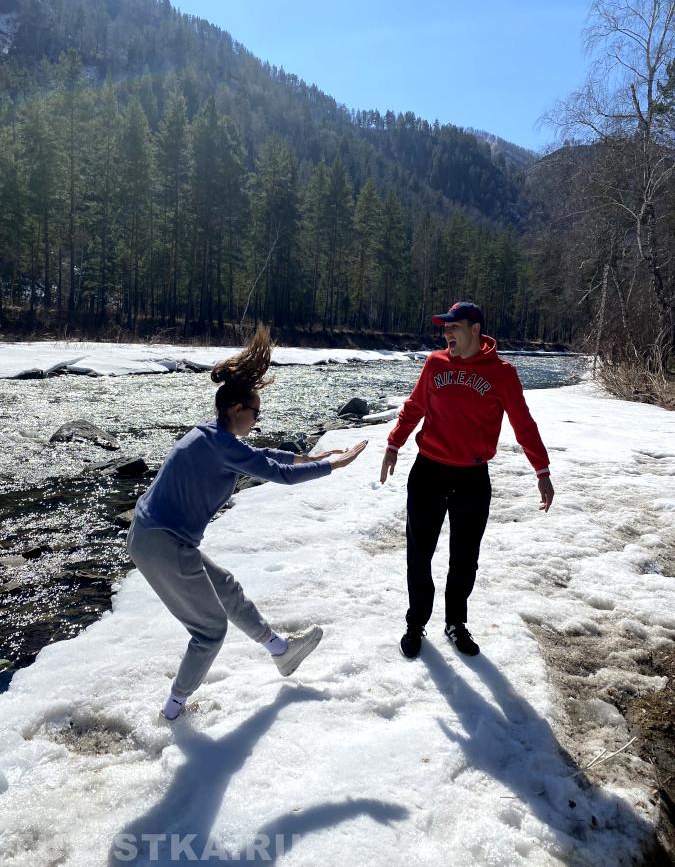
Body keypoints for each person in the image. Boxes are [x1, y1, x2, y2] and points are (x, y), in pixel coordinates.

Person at [128, 326, 367, 719]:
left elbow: (262, 456)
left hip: (153, 535)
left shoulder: (212, 435)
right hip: (163, 542)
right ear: (237, 409)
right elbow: (276, 473)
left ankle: (280, 650)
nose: (257, 420)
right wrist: (332, 465)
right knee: (209, 632)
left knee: (225, 587)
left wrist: (307, 457)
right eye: (256, 412)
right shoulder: (221, 445)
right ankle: (173, 710)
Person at [380, 302, 554, 659]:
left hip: (472, 476)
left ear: (475, 329)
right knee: (419, 553)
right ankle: (416, 622)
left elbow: (523, 424)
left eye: (453, 326)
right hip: (428, 471)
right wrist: (394, 444)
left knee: (465, 558)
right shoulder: (434, 363)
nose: (447, 333)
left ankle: (455, 622)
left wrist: (542, 471)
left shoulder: (502, 373)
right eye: (444, 327)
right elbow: (415, 406)